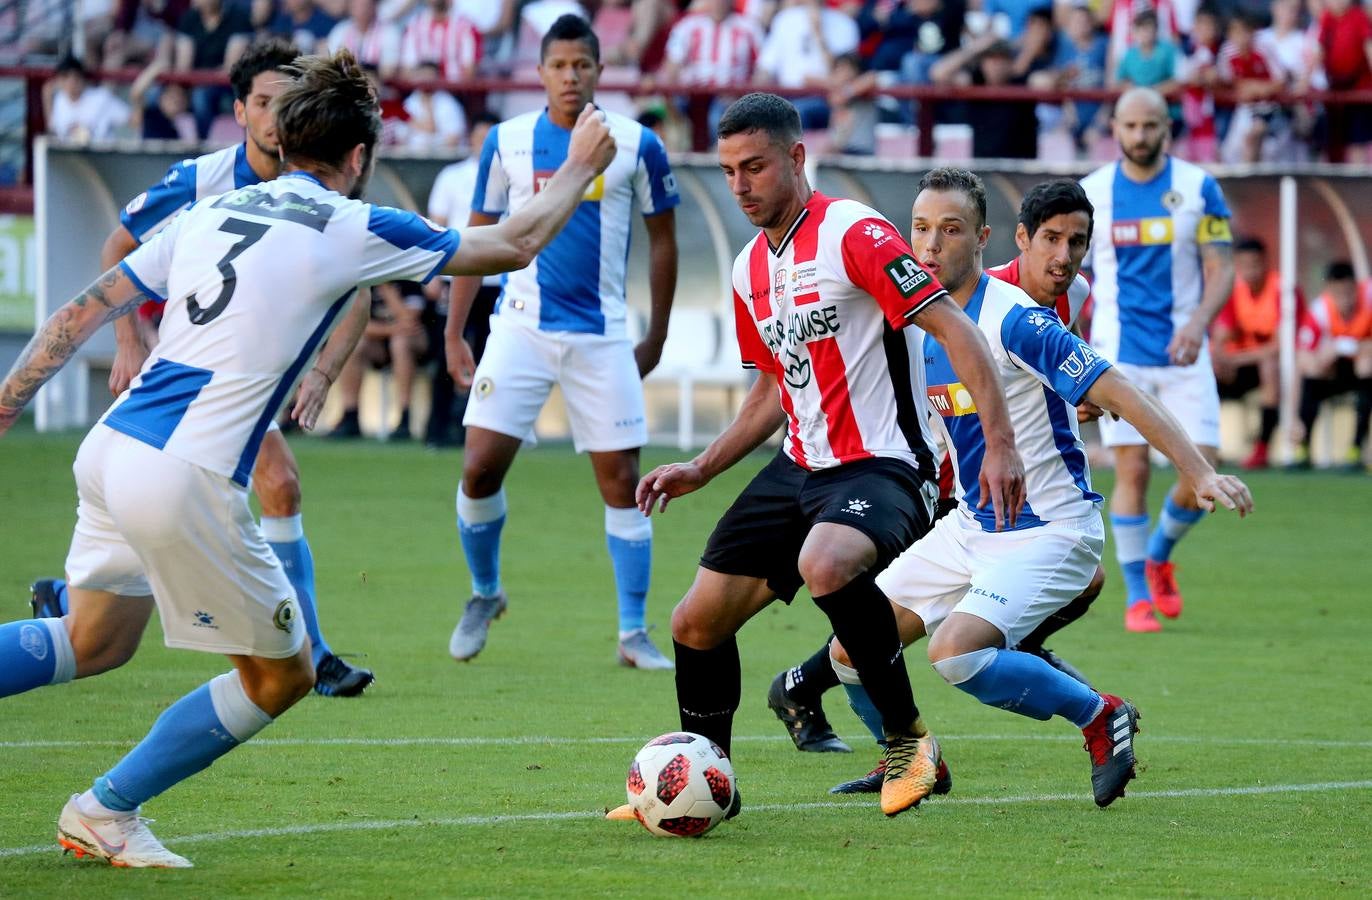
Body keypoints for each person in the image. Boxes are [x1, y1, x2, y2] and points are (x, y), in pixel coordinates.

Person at [0, 49, 617, 868]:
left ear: (284, 139)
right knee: (282, 678)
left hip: (112, 447)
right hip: (183, 475)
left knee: (94, 639)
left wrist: (5, 407)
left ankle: (104, 810)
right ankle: (105, 810)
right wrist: (577, 166)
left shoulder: (210, 212)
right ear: (359, 158)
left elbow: (82, 311)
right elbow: (516, 241)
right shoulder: (352, 225)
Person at [610, 93, 1027, 821]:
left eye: (756, 167)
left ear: (797, 159)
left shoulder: (854, 233)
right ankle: (712, 784)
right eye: (730, 170)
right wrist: (703, 466)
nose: (741, 185)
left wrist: (999, 444)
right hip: (800, 465)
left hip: (889, 462)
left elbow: (956, 327)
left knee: (827, 564)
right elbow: (775, 389)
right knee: (694, 623)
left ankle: (910, 743)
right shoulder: (747, 270)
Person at [820, 167, 1252, 808]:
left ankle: (1101, 715)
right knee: (852, 649)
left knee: (954, 655)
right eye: (920, 230)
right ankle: (908, 759)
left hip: (1050, 530)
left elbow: (1121, 390)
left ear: (984, 239)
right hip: (973, 525)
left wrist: (1197, 470)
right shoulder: (918, 319)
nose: (931, 246)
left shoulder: (1016, 319)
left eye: (950, 230)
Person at [29, 39, 377, 698]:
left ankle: (73, 597)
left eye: (289, 104)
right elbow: (117, 247)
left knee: (265, 492)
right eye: (266, 104)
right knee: (259, 488)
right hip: (194, 367)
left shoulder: (310, 185)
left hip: (249, 366)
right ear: (241, 111)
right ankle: (313, 653)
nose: (277, 119)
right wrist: (132, 342)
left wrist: (324, 372)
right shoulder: (202, 179)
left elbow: (359, 291)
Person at [769, 178, 1105, 779]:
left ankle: (1002, 656)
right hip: (932, 476)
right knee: (878, 623)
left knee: (1075, 583)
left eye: (1075, 243)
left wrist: (1068, 395)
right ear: (1020, 241)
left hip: (1010, 497)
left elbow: (1054, 359)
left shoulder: (1061, 297)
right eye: (1052, 241)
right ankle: (815, 693)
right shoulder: (928, 301)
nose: (1063, 258)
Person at [443, 15, 680, 670]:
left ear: (600, 71)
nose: (571, 76)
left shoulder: (635, 143)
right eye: (559, 65)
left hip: (602, 335)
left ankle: (633, 634)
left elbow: (663, 240)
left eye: (583, 65)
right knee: (478, 468)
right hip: (519, 325)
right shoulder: (508, 140)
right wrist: (455, 327)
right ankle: (485, 593)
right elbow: (479, 231)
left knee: (623, 482)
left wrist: (656, 332)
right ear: (540, 71)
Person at [1080, 86, 1236, 633]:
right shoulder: (1092, 194)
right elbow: (1068, 275)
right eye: (1130, 127)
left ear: (1166, 129)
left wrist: (1197, 324)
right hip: (1119, 355)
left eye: (1150, 126)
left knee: (1203, 469)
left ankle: (1159, 551)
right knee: (1132, 468)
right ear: (1115, 129)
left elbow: (1221, 268)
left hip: (1184, 351)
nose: (1140, 136)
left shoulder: (1199, 188)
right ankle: (1138, 598)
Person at [426, 111, 500, 448]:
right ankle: (437, 426)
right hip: (458, 274)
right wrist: (434, 273)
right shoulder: (451, 176)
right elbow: (438, 225)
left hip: (497, 279)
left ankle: (480, 430)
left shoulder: (508, 177)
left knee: (491, 355)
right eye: (479, 137)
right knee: (447, 350)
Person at [1211, 237, 1295, 470]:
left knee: (1269, 365)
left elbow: (1280, 346)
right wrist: (1220, 357)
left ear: (1265, 262)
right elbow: (1221, 335)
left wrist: (1235, 358)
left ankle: (1262, 448)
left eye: (1255, 264)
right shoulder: (1233, 290)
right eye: (1245, 265)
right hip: (1241, 367)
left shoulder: (1282, 290)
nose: (1251, 271)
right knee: (1207, 371)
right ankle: (1207, 447)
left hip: (1277, 369)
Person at [1292, 261, 1372, 470]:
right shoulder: (1320, 311)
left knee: (1367, 365)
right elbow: (1303, 357)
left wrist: (1354, 346)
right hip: (1332, 374)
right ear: (1328, 290)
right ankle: (1303, 445)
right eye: (1338, 292)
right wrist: (1324, 357)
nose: (1344, 299)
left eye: (1348, 291)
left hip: (1362, 376)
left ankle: (1355, 449)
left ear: (1356, 287)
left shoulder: (1369, 302)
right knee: (1311, 371)